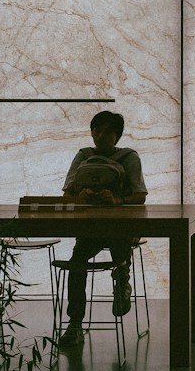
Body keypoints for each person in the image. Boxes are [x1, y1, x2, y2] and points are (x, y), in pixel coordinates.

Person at [57, 110, 148, 344]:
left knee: (95, 251)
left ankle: (121, 279)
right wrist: (81, 196)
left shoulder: (129, 158)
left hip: (120, 227)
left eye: (108, 132)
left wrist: (117, 201)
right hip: (92, 227)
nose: (101, 136)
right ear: (92, 132)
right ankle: (76, 322)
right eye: (97, 131)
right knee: (78, 261)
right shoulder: (83, 156)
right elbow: (68, 195)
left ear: (117, 136)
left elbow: (140, 196)